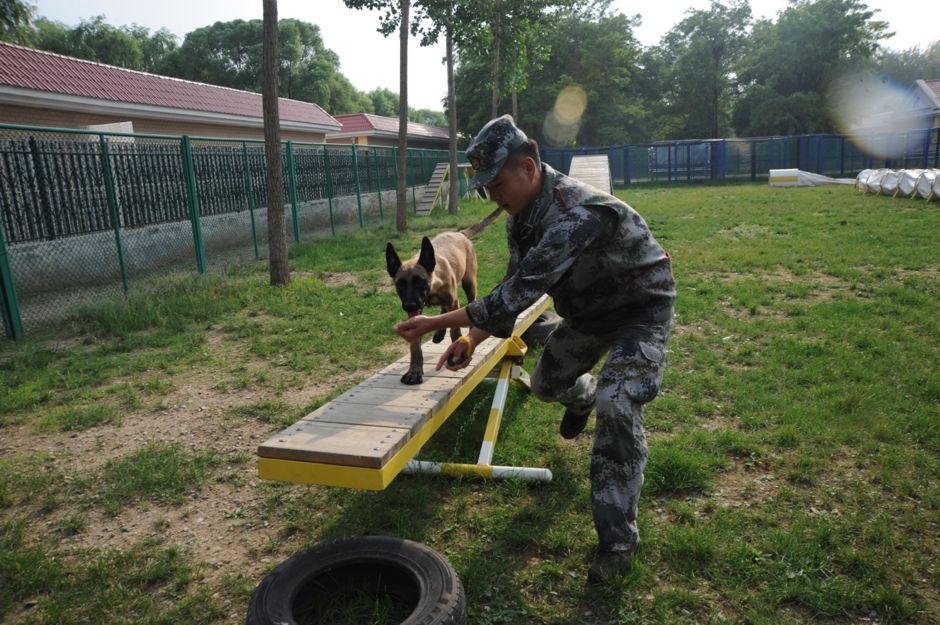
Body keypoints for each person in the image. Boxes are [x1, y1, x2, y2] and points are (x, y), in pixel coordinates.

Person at [394, 115, 675, 584]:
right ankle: (579, 396)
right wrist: (470, 338)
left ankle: (618, 543)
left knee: (617, 402)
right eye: (485, 190)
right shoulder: (521, 222)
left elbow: (517, 295)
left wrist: (438, 322)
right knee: (545, 385)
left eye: (497, 184)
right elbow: (508, 294)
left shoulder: (575, 215)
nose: (493, 198)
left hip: (638, 314)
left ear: (528, 167)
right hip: (587, 315)